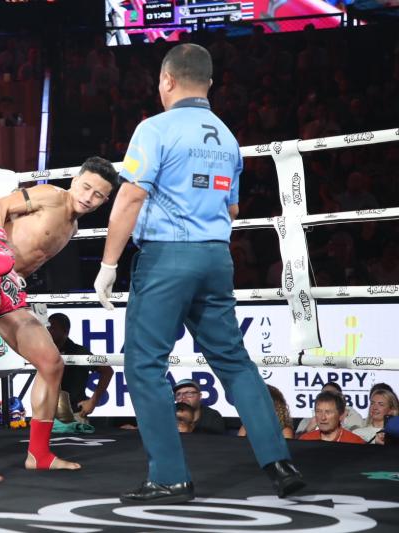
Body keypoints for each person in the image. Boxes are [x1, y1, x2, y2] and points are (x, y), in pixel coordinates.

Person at [93, 44, 304, 504]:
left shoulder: (154, 128)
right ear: (208, 84)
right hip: (216, 256)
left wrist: (108, 264)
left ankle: (169, 475)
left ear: (167, 80)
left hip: (167, 257)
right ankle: (279, 462)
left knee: (144, 365)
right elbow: (232, 208)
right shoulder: (226, 137)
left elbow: (130, 197)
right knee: (234, 361)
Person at [0, 156, 118, 483]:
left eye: (98, 195)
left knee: (52, 364)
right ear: (75, 180)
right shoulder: (51, 195)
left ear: (105, 200)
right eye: (86, 187)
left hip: (11, 287)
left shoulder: (72, 226)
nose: (88, 197)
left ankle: (39, 454)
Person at [47, 313, 113, 424]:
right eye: (47, 328)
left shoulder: (80, 352)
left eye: (53, 328)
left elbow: (107, 371)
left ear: (66, 331)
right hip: (46, 415)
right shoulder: (42, 351)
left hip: (75, 416)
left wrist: (93, 401)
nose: (48, 331)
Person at [295, 381, 364, 436]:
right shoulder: (307, 420)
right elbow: (295, 442)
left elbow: (357, 439)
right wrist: (307, 429)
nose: (327, 398)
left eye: (331, 396)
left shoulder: (353, 416)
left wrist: (341, 422)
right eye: (324, 395)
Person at [298, 391, 365, 444]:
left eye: (328, 412)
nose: (323, 418)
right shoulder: (305, 441)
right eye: (318, 411)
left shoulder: (355, 442)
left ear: (341, 415)